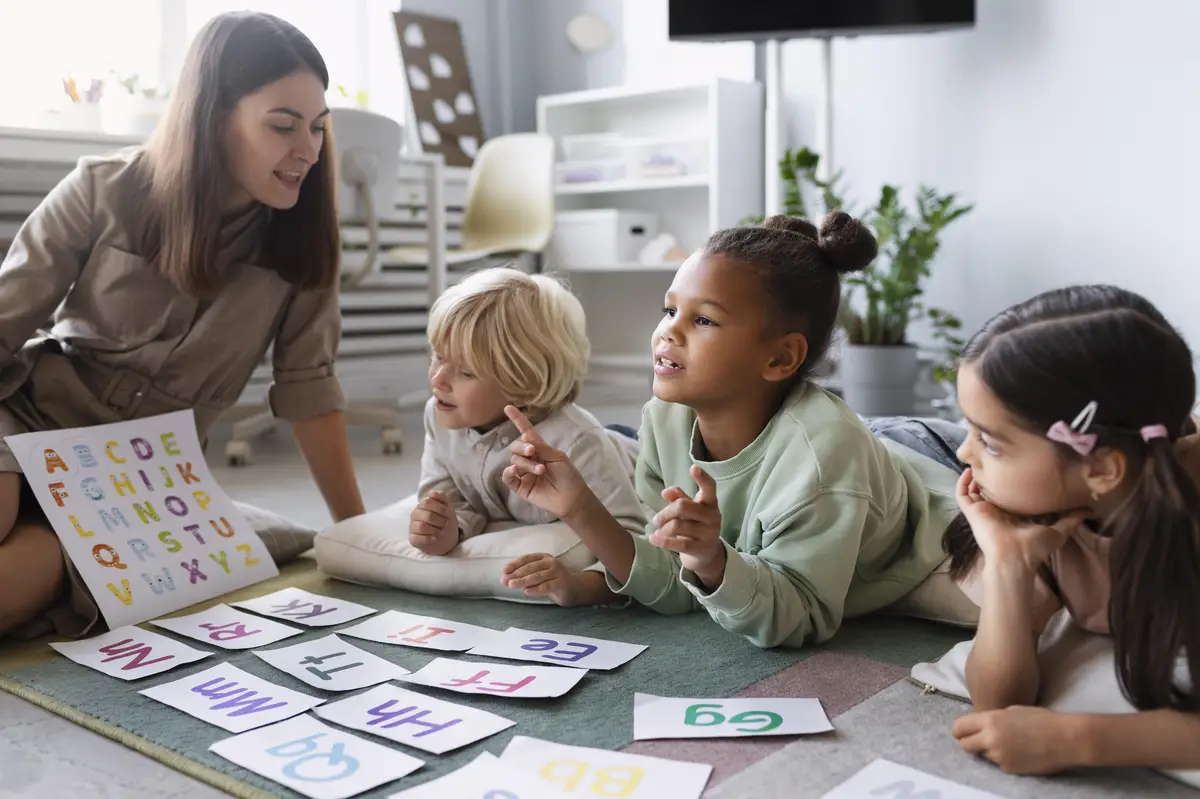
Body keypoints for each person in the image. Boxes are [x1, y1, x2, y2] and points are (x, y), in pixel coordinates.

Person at [0, 11, 366, 639]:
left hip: (136, 486)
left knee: (20, 579)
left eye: (316, 128)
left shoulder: (302, 244)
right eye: (283, 126)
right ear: (213, 116)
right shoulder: (103, 189)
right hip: (28, 422)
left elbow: (310, 391)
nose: (307, 149)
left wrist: (362, 539)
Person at [500, 211, 963, 647]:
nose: (668, 332)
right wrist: (580, 507)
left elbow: (800, 617)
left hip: (934, 454)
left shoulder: (823, 461)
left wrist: (713, 561)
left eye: (702, 319)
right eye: (669, 310)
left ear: (780, 358)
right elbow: (674, 585)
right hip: (866, 442)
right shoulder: (663, 418)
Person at [933, 285, 1200, 775]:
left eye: (989, 442)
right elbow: (996, 704)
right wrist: (1009, 565)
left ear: (1101, 469)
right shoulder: (1040, 508)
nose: (964, 454)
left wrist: (1083, 738)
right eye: (967, 429)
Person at [408, 266, 643, 606]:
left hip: (632, 452)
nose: (438, 379)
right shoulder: (439, 415)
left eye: (465, 372)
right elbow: (447, 496)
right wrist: (445, 529)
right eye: (437, 357)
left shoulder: (578, 442)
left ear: (522, 383)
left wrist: (580, 586)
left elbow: (632, 543)